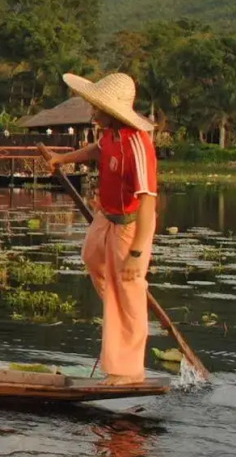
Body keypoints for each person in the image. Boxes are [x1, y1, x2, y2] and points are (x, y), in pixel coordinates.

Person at [39, 72, 157, 385]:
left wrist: (136, 253)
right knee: (92, 257)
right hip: (107, 217)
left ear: (113, 110)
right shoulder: (110, 135)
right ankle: (122, 302)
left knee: (127, 294)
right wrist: (61, 159)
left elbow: (147, 204)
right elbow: (97, 151)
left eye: (97, 107)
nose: (93, 112)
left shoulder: (138, 144)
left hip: (132, 226)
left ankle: (127, 372)